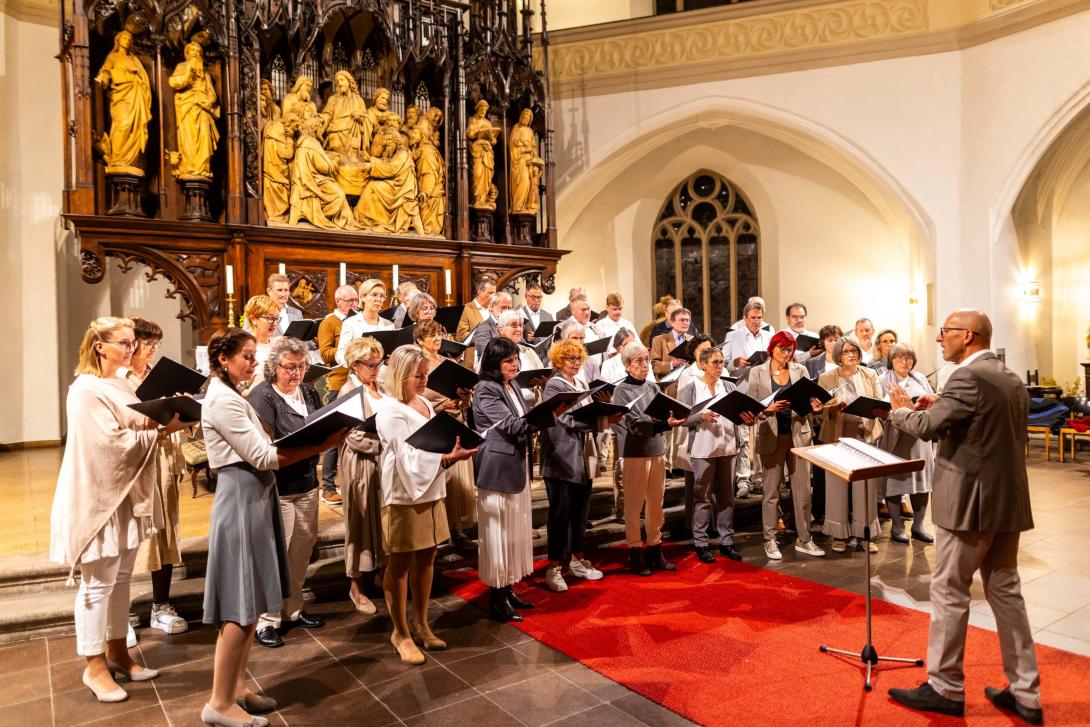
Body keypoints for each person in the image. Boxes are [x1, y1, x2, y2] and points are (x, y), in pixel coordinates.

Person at [887, 310, 1041, 724]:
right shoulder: (1008, 377)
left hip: (970, 504)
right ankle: (1026, 691)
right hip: (1006, 501)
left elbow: (925, 426)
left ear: (967, 335)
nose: (940, 339)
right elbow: (981, 426)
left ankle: (945, 687)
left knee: (950, 589)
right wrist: (941, 402)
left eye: (946, 332)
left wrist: (899, 410)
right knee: (1006, 592)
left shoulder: (966, 377)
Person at [200, 327, 344, 727]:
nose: (251, 363)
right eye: (245, 356)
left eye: (252, 355)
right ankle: (218, 703)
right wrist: (322, 444)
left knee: (251, 603)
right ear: (223, 360)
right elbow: (264, 456)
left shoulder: (233, 395)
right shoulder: (223, 400)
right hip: (241, 498)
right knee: (239, 607)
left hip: (254, 496)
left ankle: (238, 686)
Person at [50, 317, 186, 703]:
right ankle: (94, 666)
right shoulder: (85, 390)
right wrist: (159, 432)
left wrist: (168, 412)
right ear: (99, 346)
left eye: (131, 343)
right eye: (123, 343)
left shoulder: (121, 382)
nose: (131, 349)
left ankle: (118, 652)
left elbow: (135, 420)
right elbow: (108, 444)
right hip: (100, 498)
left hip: (126, 496)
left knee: (122, 579)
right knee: (97, 584)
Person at [375, 346, 477, 664]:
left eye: (424, 374)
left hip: (431, 488)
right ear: (400, 375)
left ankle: (422, 624)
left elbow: (431, 439)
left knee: (428, 556)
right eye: (417, 375)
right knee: (401, 563)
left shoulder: (422, 403)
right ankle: (400, 632)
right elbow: (406, 454)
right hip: (404, 494)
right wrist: (446, 457)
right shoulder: (389, 409)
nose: (423, 380)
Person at [249, 337, 327, 648]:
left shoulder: (308, 390)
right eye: (289, 367)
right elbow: (265, 445)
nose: (296, 373)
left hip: (307, 482)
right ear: (274, 367)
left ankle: (293, 609)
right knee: (276, 553)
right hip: (277, 486)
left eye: (301, 367)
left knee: (301, 550)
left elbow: (320, 423)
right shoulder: (262, 396)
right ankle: (267, 619)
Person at [472, 337, 556, 620]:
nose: (515, 364)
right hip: (496, 466)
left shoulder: (511, 385)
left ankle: (507, 589)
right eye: (509, 360)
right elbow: (509, 425)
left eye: (516, 359)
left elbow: (521, 421)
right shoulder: (486, 389)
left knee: (511, 532)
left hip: (515, 464)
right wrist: (550, 414)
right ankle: (496, 597)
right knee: (497, 534)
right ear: (494, 364)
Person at [122, 318, 188, 635]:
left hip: (162, 460)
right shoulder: (118, 380)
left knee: (164, 532)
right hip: (133, 466)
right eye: (149, 344)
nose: (153, 350)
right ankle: (119, 614)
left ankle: (160, 605)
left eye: (156, 344)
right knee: (130, 538)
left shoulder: (155, 377)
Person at [539, 338, 617, 592]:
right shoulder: (553, 386)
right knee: (560, 515)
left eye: (577, 358)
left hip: (583, 456)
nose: (574, 363)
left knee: (579, 512)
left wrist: (605, 410)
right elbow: (566, 420)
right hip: (561, 458)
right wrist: (604, 422)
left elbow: (586, 414)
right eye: (569, 358)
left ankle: (575, 559)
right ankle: (553, 568)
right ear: (558, 360)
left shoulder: (581, 382)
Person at [747, 332, 826, 561]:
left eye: (790, 349)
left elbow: (808, 402)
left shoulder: (799, 370)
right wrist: (766, 410)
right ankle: (770, 539)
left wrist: (815, 407)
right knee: (771, 491)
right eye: (782, 348)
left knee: (802, 491)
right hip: (772, 434)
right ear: (772, 349)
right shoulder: (757, 372)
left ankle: (804, 538)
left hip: (798, 434)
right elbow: (752, 407)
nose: (786, 353)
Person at [612, 343, 687, 575]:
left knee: (656, 504)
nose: (645, 366)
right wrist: (662, 423)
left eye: (646, 360)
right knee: (634, 506)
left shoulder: (653, 387)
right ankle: (635, 551)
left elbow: (661, 414)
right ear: (626, 366)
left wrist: (670, 419)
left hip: (656, 450)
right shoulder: (621, 390)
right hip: (634, 452)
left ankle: (655, 548)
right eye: (638, 361)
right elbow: (634, 423)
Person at [416, 320, 477, 551]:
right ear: (420, 340)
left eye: (440, 334)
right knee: (443, 482)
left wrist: (463, 398)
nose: (437, 339)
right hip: (434, 425)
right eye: (432, 336)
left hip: (456, 421)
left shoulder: (447, 362)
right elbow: (416, 397)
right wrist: (442, 405)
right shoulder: (419, 364)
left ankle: (457, 530)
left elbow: (463, 396)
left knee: (458, 482)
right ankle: (441, 534)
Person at [818, 337, 884, 553]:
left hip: (864, 435)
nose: (851, 354)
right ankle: (839, 535)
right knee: (837, 487)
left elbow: (879, 403)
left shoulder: (870, 374)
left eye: (854, 350)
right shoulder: (827, 377)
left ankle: (865, 535)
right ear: (838, 355)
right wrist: (834, 409)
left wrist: (875, 409)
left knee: (864, 487)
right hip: (837, 439)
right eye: (846, 351)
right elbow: (821, 412)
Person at [337, 337, 387, 615]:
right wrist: (387, 442)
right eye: (370, 364)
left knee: (381, 519)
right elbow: (352, 435)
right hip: (360, 463)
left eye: (379, 363)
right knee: (359, 520)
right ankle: (356, 586)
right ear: (354, 365)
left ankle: (380, 572)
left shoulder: (380, 387)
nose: (376, 369)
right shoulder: (348, 391)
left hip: (384, 461)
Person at [678, 345, 742, 562]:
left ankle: (726, 541)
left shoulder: (728, 386)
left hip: (727, 446)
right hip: (703, 448)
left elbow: (738, 413)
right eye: (715, 362)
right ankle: (701, 542)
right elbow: (681, 418)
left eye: (722, 362)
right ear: (702, 364)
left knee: (726, 496)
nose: (719, 366)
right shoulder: (692, 387)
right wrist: (700, 417)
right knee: (702, 496)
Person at [875, 342, 935, 544]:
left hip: (918, 436)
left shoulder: (920, 378)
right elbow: (877, 405)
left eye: (908, 358)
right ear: (891, 360)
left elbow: (932, 402)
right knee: (894, 481)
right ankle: (897, 527)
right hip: (895, 435)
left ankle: (918, 526)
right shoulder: (882, 379)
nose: (905, 361)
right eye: (900, 357)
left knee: (921, 482)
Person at [317, 284, 360, 506]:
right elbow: (325, 353)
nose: (354, 304)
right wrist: (350, 348)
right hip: (339, 381)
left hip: (359, 380)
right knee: (336, 435)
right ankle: (327, 486)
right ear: (338, 302)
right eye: (349, 301)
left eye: (356, 300)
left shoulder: (359, 320)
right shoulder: (329, 322)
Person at [336, 278, 394, 367]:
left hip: (383, 374)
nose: (378, 299)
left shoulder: (389, 325)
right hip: (359, 373)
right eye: (374, 295)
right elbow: (340, 353)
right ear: (363, 297)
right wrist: (352, 364)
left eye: (382, 296)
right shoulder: (350, 323)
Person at [455, 275, 497, 370]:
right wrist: (483, 337)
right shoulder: (466, 309)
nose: (493, 297)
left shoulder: (495, 309)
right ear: (479, 292)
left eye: (495, 294)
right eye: (490, 293)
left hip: (494, 359)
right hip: (474, 362)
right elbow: (460, 335)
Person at [242, 294, 281, 390]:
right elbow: (238, 390)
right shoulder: (244, 348)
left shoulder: (279, 344)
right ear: (254, 319)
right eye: (270, 318)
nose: (275, 323)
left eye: (277, 318)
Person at [723, 300, 773, 374]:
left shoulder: (769, 336)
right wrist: (734, 363)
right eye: (753, 318)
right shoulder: (732, 336)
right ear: (745, 319)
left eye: (759, 318)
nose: (756, 321)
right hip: (742, 383)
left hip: (764, 381)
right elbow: (722, 363)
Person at [473, 291, 515, 362]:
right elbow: (486, 354)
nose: (507, 311)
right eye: (503, 307)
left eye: (509, 308)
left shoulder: (514, 326)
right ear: (492, 306)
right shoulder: (483, 328)